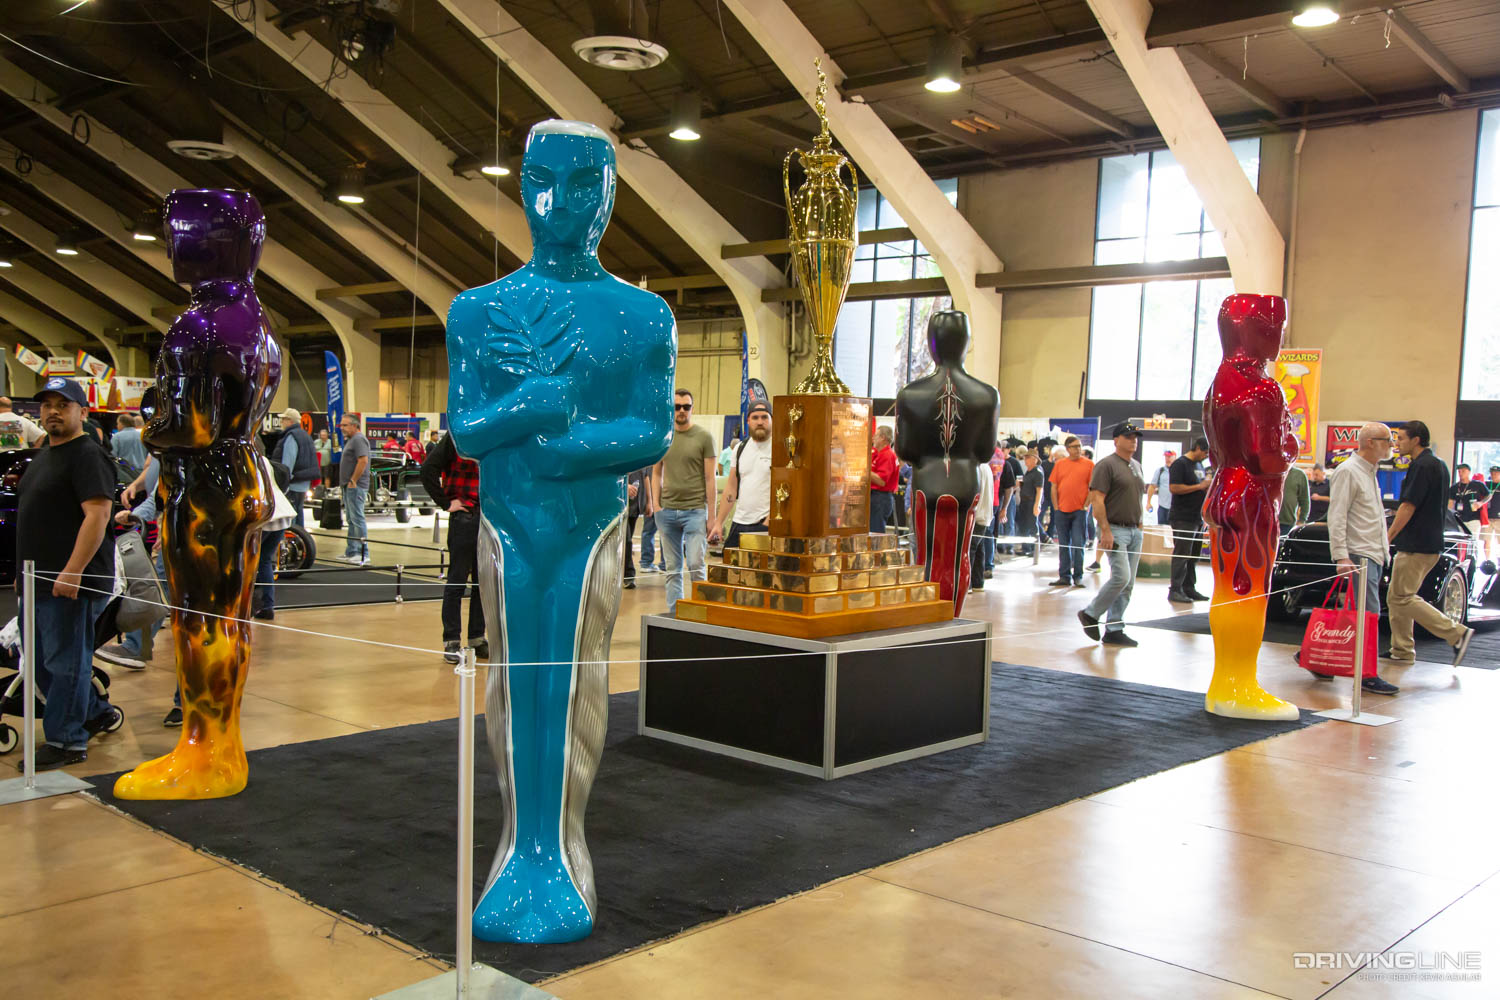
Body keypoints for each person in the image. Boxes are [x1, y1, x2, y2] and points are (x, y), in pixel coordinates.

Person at [16, 376, 122, 769]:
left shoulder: (87, 455)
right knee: (42, 662)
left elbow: (98, 515)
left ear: (83, 411)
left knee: (66, 663)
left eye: (63, 404)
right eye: (46, 405)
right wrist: (21, 574)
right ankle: (94, 712)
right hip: (36, 578)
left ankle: (67, 741)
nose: (53, 411)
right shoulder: (46, 453)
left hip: (70, 581)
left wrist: (73, 571)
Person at [1312, 422, 1400, 694]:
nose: (1391, 446)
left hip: (1371, 553)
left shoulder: (1369, 472)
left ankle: (1321, 658)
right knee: (1367, 614)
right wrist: (1341, 556)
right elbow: (1337, 516)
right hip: (1359, 554)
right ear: (1371, 441)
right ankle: (1366, 673)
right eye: (1387, 440)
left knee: (1356, 613)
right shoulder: (1349, 471)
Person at [1386, 420, 1473, 665]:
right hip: (1428, 540)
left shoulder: (1422, 466)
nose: (1397, 443)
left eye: (1401, 438)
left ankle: (1456, 633)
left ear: (1416, 440)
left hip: (1417, 543)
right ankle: (1401, 650)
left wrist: (1389, 535)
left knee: (1403, 597)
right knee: (1395, 596)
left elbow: (1408, 506)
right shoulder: (1438, 465)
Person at [420, 430, 486, 663]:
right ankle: (452, 641)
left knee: (483, 583)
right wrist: (447, 503)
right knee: (457, 581)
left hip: (487, 518)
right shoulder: (457, 435)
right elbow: (428, 470)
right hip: (466, 516)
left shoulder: (495, 431)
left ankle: (477, 638)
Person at [1078, 422, 1146, 647]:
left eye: (1135, 436)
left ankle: (1115, 628)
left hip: (1134, 529)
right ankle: (1090, 613)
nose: (1133, 440)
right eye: (1128, 436)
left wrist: (1140, 522)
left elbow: (1137, 497)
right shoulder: (1106, 465)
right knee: (1121, 577)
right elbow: (1097, 499)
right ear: (1116, 440)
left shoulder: (1136, 465)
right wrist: (1105, 529)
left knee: (1129, 583)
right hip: (1115, 528)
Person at [652, 389, 716, 615]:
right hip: (667, 511)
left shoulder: (704, 437)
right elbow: (656, 473)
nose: (681, 410)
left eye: (685, 407)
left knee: (697, 565)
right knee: (672, 569)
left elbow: (710, 478)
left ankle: (703, 613)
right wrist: (656, 505)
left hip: (695, 512)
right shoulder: (663, 436)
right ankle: (674, 614)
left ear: (692, 408)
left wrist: (712, 517)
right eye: (677, 406)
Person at [711, 401, 773, 550]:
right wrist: (719, 523)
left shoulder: (781, 449)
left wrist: (770, 520)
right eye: (755, 417)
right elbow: (731, 488)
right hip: (739, 523)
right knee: (732, 572)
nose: (760, 422)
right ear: (748, 421)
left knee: (763, 573)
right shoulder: (740, 448)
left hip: (765, 525)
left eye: (764, 417)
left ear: (772, 420)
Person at [250, 457, 298, 622]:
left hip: (263, 514)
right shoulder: (263, 459)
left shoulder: (246, 458)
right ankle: (267, 606)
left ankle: (247, 605)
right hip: (280, 510)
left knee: (248, 561)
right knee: (264, 561)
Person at [1166, 437, 1212, 604]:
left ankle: (1189, 587)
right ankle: (1175, 589)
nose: (1205, 456)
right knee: (1182, 554)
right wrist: (1199, 487)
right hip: (1182, 517)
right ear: (1198, 447)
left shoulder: (1199, 465)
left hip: (1197, 517)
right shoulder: (1180, 464)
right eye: (1205, 452)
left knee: (1193, 555)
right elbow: (1174, 488)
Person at [1047, 436, 1093, 588]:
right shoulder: (1060, 464)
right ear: (1067, 449)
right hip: (1062, 510)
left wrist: (1086, 505)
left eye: (1079, 446)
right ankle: (1064, 576)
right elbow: (1054, 486)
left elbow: (1093, 488)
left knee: (1078, 544)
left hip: (1079, 511)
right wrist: (1055, 506)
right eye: (1074, 446)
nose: (1078, 449)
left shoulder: (1089, 465)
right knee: (1064, 545)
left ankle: (1078, 576)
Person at [272, 408, 317, 526]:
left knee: (291, 518)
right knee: (299, 513)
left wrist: (284, 481)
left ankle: (292, 539)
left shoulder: (292, 436)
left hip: (292, 484)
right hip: (303, 483)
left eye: (283, 419)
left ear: (290, 421)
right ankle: (300, 540)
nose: (281, 422)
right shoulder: (305, 435)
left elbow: (288, 463)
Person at [338, 413, 371, 565]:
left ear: (354, 426)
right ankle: (352, 551)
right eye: (341, 425)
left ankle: (363, 553)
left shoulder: (358, 440)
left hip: (355, 486)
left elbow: (363, 460)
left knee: (357, 519)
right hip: (349, 486)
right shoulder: (352, 440)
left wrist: (353, 480)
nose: (342, 428)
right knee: (351, 520)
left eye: (345, 425)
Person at [868, 423, 900, 535]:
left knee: (875, 532)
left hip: (880, 498)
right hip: (877, 497)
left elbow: (881, 481)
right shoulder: (879, 454)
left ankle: (876, 553)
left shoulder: (887, 455)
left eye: (875, 435)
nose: (873, 438)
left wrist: (863, 469)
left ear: (883, 438)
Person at [969, 459, 994, 591]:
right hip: (984, 514)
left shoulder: (977, 468)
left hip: (977, 514)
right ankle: (978, 582)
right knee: (979, 549)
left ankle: (967, 584)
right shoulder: (986, 468)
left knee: (970, 549)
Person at [622, 467, 649, 588]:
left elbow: (646, 476)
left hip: (635, 505)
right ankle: (629, 575)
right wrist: (624, 487)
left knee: (627, 541)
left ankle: (625, 574)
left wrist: (649, 502)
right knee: (626, 541)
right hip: (621, 505)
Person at [1016, 449, 1044, 558]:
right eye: (1025, 458)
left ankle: (1034, 549)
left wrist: (1037, 505)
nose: (1025, 460)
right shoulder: (1028, 472)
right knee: (1023, 525)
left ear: (1034, 459)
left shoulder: (1038, 472)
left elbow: (1039, 490)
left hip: (1031, 501)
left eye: (1027, 458)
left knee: (1033, 526)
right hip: (1024, 501)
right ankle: (1025, 548)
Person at [1449, 463, 1489, 539]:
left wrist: (1481, 503)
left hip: (1474, 518)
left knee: (1472, 541)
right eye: (1459, 471)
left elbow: (1488, 495)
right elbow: (1450, 503)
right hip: (1460, 519)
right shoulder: (1454, 487)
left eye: (1463, 471)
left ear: (1469, 472)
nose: (1460, 473)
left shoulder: (1477, 484)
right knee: (1460, 542)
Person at [1146, 450, 1176, 526]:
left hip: (1175, 508)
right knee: (1162, 529)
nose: (1167, 459)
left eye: (1170, 456)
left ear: (1175, 457)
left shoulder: (1178, 470)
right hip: (1163, 507)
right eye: (1166, 456)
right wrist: (1148, 502)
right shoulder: (1160, 471)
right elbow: (1152, 486)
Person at [1280, 463, 1311, 534]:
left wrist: (1301, 521)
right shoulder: (1269, 472)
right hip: (1269, 523)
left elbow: (1305, 501)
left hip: (1288, 523)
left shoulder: (1299, 475)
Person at [1487, 466, 1500, 559]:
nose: (1493, 475)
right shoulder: (1486, 485)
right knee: (1486, 541)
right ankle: (1487, 561)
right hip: (1487, 517)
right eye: (1492, 473)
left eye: (1496, 473)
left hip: (1499, 518)